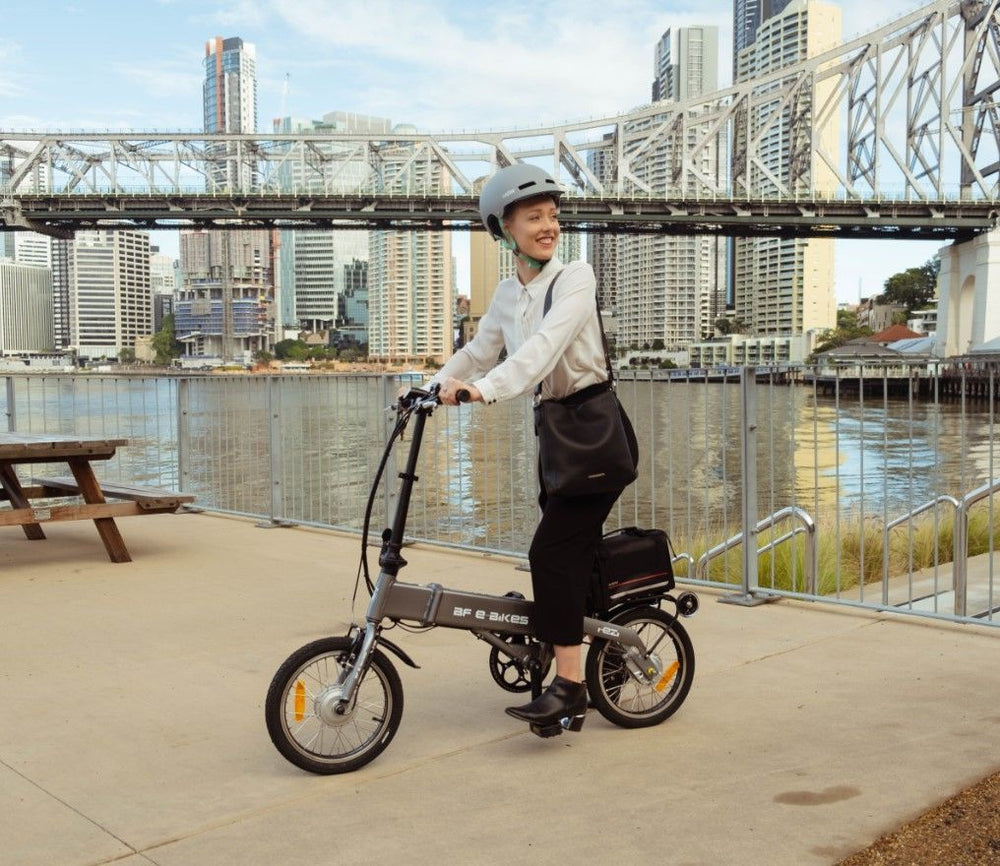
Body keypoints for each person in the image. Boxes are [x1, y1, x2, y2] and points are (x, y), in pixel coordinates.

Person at [430, 164, 637, 735]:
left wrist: (483, 391)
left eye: (552, 215)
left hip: (593, 434)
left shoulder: (575, 277)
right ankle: (590, 659)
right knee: (570, 554)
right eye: (534, 217)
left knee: (551, 554)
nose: (549, 226)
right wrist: (433, 386)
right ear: (504, 229)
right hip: (556, 437)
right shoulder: (506, 291)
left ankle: (569, 689)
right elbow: (479, 350)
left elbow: (542, 352)